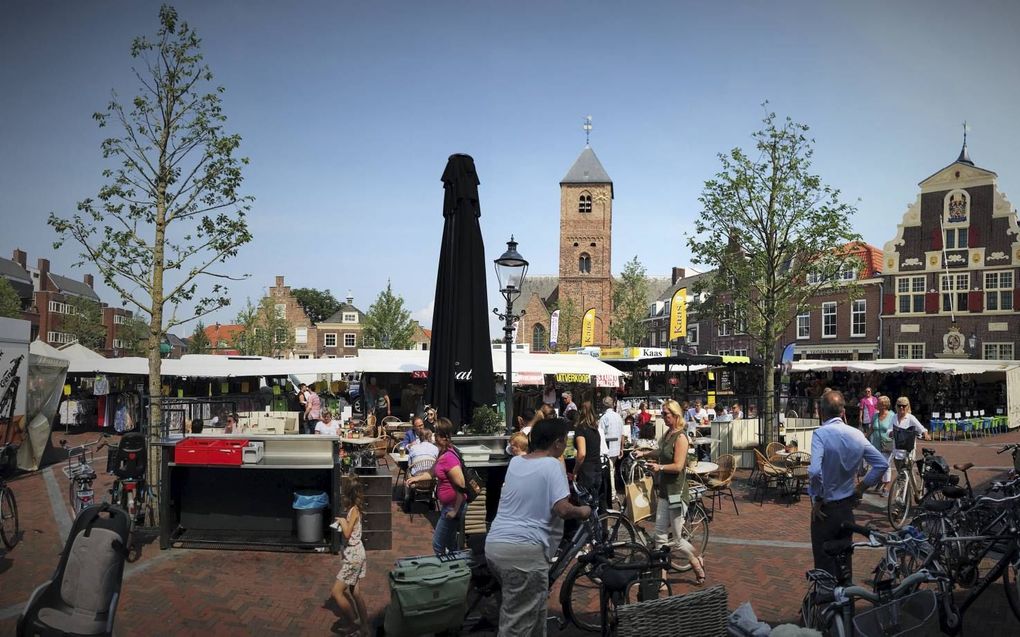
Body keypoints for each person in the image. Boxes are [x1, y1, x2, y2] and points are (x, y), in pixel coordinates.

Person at [486, 418, 591, 635]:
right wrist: (582, 511)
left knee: (534, 613)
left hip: (496, 544)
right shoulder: (553, 465)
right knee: (516, 624)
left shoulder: (517, 462)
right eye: (564, 441)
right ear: (557, 442)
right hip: (524, 552)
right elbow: (562, 509)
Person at [807, 390, 888, 579]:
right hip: (846, 508)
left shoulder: (820, 434)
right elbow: (881, 464)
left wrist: (818, 497)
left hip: (825, 511)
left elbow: (814, 471)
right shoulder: (857, 434)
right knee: (845, 564)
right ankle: (846, 604)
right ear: (843, 412)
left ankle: (828, 604)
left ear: (821, 412)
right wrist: (861, 488)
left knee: (824, 565)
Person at [636, 399, 705, 584]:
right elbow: (661, 451)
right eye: (662, 413)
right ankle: (662, 579)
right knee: (659, 535)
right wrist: (644, 453)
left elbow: (678, 466)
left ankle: (696, 560)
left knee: (676, 539)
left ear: (676, 415)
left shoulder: (681, 437)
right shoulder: (668, 434)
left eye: (666, 414)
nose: (663, 417)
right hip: (665, 492)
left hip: (676, 492)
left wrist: (659, 468)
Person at [405, 418, 466, 555]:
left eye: (435, 433)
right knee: (451, 544)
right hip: (449, 505)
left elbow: (461, 484)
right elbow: (433, 472)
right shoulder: (442, 453)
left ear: (441, 436)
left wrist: (455, 510)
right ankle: (455, 569)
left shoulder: (448, 457)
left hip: (453, 506)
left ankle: (447, 571)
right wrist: (416, 478)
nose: (432, 435)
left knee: (438, 544)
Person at [329, 475, 368, 636]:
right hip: (358, 552)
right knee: (355, 592)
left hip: (353, 555)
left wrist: (342, 522)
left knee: (336, 593)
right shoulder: (354, 509)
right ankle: (365, 627)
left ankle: (353, 624)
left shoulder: (353, 511)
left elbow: (346, 533)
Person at [891, 396, 929, 497]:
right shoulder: (894, 417)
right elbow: (889, 430)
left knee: (902, 477)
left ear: (907, 407)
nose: (901, 408)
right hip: (897, 452)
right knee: (907, 475)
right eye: (899, 406)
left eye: (904, 406)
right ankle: (916, 493)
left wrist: (925, 434)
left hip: (908, 452)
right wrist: (890, 433)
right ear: (896, 406)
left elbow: (922, 428)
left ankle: (899, 501)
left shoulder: (911, 418)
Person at [573, 400, 604, 507]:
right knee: (594, 505)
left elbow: (582, 453)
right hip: (597, 468)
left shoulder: (581, 429)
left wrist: (575, 471)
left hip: (587, 471)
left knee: (585, 506)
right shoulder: (595, 430)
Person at [598, 396, 625, 501]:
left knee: (609, 471)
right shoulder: (618, 416)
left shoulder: (604, 418)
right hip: (616, 447)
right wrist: (621, 448)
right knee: (612, 470)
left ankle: (612, 493)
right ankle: (612, 492)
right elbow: (622, 434)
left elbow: (600, 434)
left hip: (607, 448)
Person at [869, 396, 895, 496]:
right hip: (875, 444)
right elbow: (871, 429)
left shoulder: (892, 416)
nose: (876, 404)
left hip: (887, 444)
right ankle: (880, 481)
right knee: (876, 465)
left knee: (885, 465)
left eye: (878, 402)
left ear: (884, 405)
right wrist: (865, 438)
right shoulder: (875, 415)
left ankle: (886, 487)